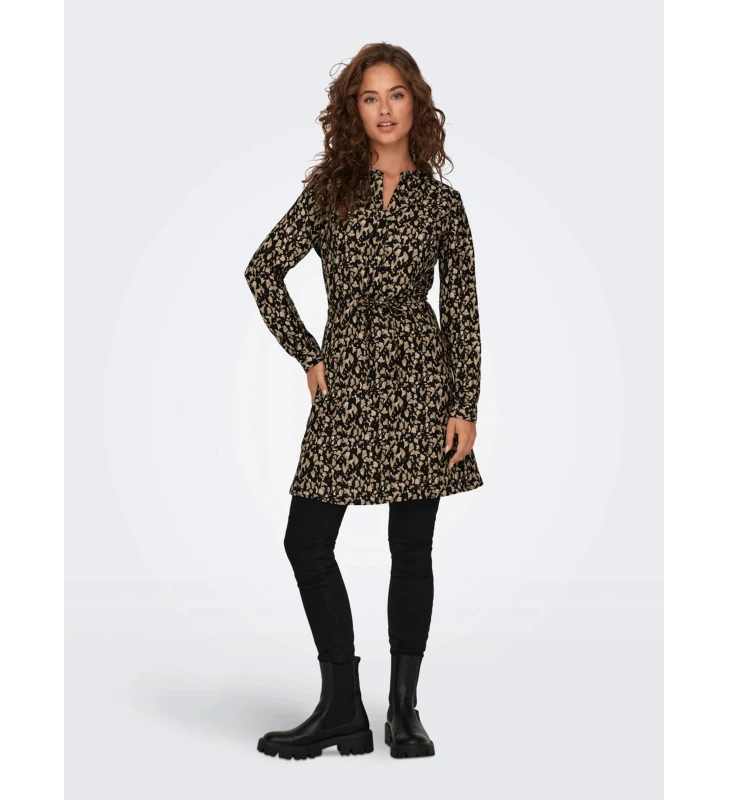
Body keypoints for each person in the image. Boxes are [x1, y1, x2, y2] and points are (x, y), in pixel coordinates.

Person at [244, 42, 483, 760]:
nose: (384, 109)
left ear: (417, 105)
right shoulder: (331, 193)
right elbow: (263, 270)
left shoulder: (442, 204)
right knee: (307, 541)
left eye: (396, 95)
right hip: (346, 381)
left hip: (420, 381)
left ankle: (403, 710)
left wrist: (464, 405)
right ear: (354, 109)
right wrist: (308, 352)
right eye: (369, 97)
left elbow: (463, 311)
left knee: (411, 548)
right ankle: (342, 707)